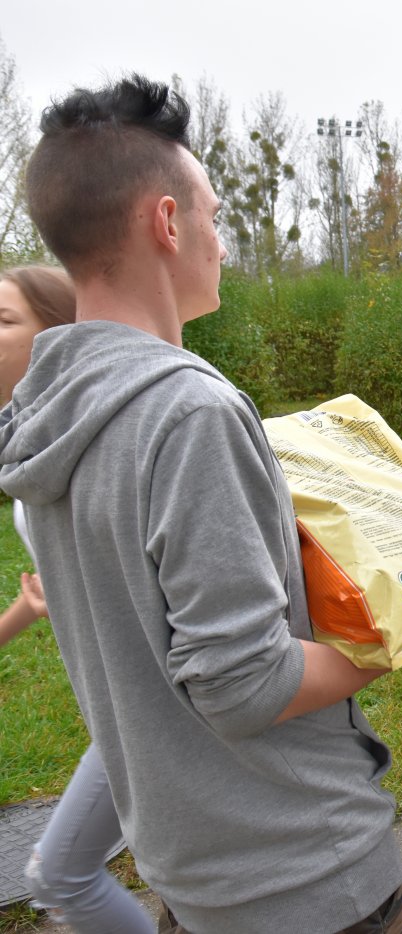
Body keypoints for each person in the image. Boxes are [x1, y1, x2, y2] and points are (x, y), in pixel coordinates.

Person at [0, 74, 402, 933]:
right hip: (303, 871)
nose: (221, 242)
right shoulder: (188, 410)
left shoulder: (47, 419)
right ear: (165, 222)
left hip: (194, 868)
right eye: (216, 216)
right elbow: (241, 684)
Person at [0, 265, 152, 933]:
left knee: (60, 872)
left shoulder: (101, 441)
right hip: (119, 702)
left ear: (59, 338)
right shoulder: (32, 450)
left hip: (149, 704)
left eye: (4, 320)